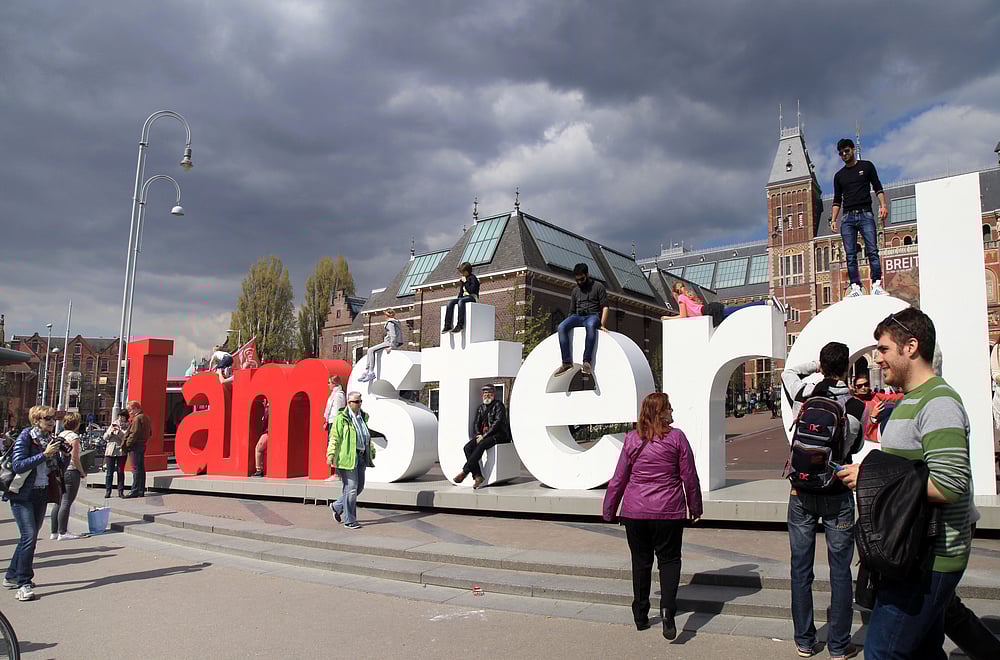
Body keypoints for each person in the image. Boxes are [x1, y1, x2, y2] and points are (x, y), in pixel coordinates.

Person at [837, 307, 972, 658]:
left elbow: (949, 485)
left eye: (882, 349)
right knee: (923, 650)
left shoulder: (939, 402)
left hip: (932, 556)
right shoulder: (906, 401)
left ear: (910, 347)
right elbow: (905, 472)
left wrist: (869, 478)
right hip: (909, 551)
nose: (877, 358)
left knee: (882, 651)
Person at [780, 342, 865, 660]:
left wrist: (814, 367)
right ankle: (840, 646)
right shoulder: (856, 405)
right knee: (840, 571)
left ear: (822, 365)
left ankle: (804, 640)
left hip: (801, 492)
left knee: (800, 568)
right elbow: (852, 445)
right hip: (837, 492)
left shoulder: (803, 393)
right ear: (847, 367)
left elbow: (787, 371)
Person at [602, 392, 702, 640]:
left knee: (641, 561)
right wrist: (695, 508)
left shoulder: (632, 439)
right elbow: (689, 476)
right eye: (668, 407)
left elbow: (619, 479)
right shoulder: (677, 438)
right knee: (669, 561)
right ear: (660, 412)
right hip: (668, 511)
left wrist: (609, 510)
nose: (672, 410)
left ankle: (640, 614)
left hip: (635, 512)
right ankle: (668, 612)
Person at [3, 405, 64, 601]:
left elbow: (53, 468)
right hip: (22, 495)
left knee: (29, 538)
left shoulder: (48, 439)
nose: (51, 421)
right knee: (29, 536)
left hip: (41, 492)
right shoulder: (26, 437)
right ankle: (24, 583)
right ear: (36, 420)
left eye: (53, 418)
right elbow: (18, 464)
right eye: (47, 418)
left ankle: (11, 575)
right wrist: (44, 454)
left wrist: (61, 453)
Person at [829, 138, 888, 298]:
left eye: (846, 151)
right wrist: (833, 219)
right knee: (850, 255)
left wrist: (883, 205)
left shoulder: (867, 166)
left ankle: (876, 284)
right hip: (847, 218)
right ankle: (855, 287)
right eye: (841, 153)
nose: (844, 155)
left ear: (853, 149)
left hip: (865, 214)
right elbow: (836, 199)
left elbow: (877, 187)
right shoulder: (839, 176)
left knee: (872, 250)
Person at [327, 391, 375, 530]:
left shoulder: (363, 417)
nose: (359, 404)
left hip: (361, 456)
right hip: (347, 457)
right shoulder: (342, 418)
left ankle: (337, 506)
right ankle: (350, 520)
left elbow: (366, 436)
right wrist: (330, 455)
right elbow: (334, 437)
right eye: (356, 402)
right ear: (349, 403)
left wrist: (371, 451)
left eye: (360, 401)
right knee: (351, 489)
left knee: (359, 488)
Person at [553, 263, 609, 378]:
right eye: (577, 280)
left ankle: (587, 362)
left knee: (590, 325)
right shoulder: (575, 291)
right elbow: (571, 311)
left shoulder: (598, 287)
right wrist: (569, 322)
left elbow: (605, 307)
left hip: (593, 316)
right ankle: (566, 362)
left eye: (582, 279)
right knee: (561, 327)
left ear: (588, 275)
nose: (579, 282)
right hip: (577, 316)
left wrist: (602, 324)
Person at [453, 384, 511, 489]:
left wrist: (484, 436)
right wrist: (479, 434)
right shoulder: (481, 408)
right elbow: (476, 423)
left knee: (482, 444)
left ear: (494, 394)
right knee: (467, 448)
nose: (486, 395)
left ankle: (465, 471)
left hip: (498, 435)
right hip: (483, 435)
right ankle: (477, 475)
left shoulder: (499, 405)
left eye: (489, 393)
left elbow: (497, 423)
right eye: (485, 393)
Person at [665, 282, 782, 327]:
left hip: (712, 311)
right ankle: (766, 303)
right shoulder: (686, 297)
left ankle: (767, 302)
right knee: (739, 311)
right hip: (712, 309)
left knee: (739, 310)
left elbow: (683, 316)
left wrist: (667, 318)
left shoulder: (681, 298)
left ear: (675, 292)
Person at [49, 412, 85, 541]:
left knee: (58, 501)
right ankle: (63, 532)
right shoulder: (74, 437)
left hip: (59, 470)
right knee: (67, 501)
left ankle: (54, 531)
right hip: (71, 471)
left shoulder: (60, 435)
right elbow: (75, 458)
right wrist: (82, 472)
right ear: (77, 423)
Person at [358, 310, 403, 383]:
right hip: (391, 342)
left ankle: (371, 372)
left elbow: (393, 335)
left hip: (388, 343)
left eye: (385, 315)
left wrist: (391, 346)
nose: (384, 316)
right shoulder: (396, 322)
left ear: (387, 315)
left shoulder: (390, 323)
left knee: (371, 350)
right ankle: (367, 370)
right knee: (371, 351)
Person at [123, 400, 152, 498]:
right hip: (142, 444)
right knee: (141, 468)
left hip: (135, 446)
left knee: (135, 468)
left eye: (130, 410)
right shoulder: (146, 418)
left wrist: (127, 444)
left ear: (135, 408)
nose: (129, 413)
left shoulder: (137, 419)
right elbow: (150, 433)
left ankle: (135, 490)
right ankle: (141, 490)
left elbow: (134, 433)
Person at [442, 262, 480, 334]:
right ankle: (447, 325)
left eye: (463, 272)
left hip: (472, 297)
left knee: (461, 301)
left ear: (467, 271)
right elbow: (461, 292)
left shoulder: (473, 278)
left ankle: (460, 325)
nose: (462, 274)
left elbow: (471, 290)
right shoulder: (463, 279)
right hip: (464, 297)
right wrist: (458, 298)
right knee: (451, 302)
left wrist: (466, 282)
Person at [321, 375, 345, 481]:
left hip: (335, 423)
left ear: (335, 384)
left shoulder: (339, 395)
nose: (328, 385)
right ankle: (336, 473)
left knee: (335, 446)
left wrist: (336, 424)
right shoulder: (334, 394)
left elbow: (339, 411)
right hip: (331, 421)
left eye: (329, 382)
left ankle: (337, 474)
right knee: (332, 446)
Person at [103, 410, 128, 497]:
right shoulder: (113, 424)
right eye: (120, 416)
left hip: (121, 451)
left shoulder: (128, 426)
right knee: (109, 472)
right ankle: (108, 490)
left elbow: (125, 438)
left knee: (120, 471)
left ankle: (120, 491)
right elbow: (105, 437)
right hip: (111, 450)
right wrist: (110, 432)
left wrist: (119, 432)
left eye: (123, 417)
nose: (121, 419)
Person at [252, 401, 270, 478]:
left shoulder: (267, 408)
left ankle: (259, 470)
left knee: (258, 448)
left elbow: (265, 421)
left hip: (268, 432)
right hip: (268, 431)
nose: (262, 402)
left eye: (263, 401)